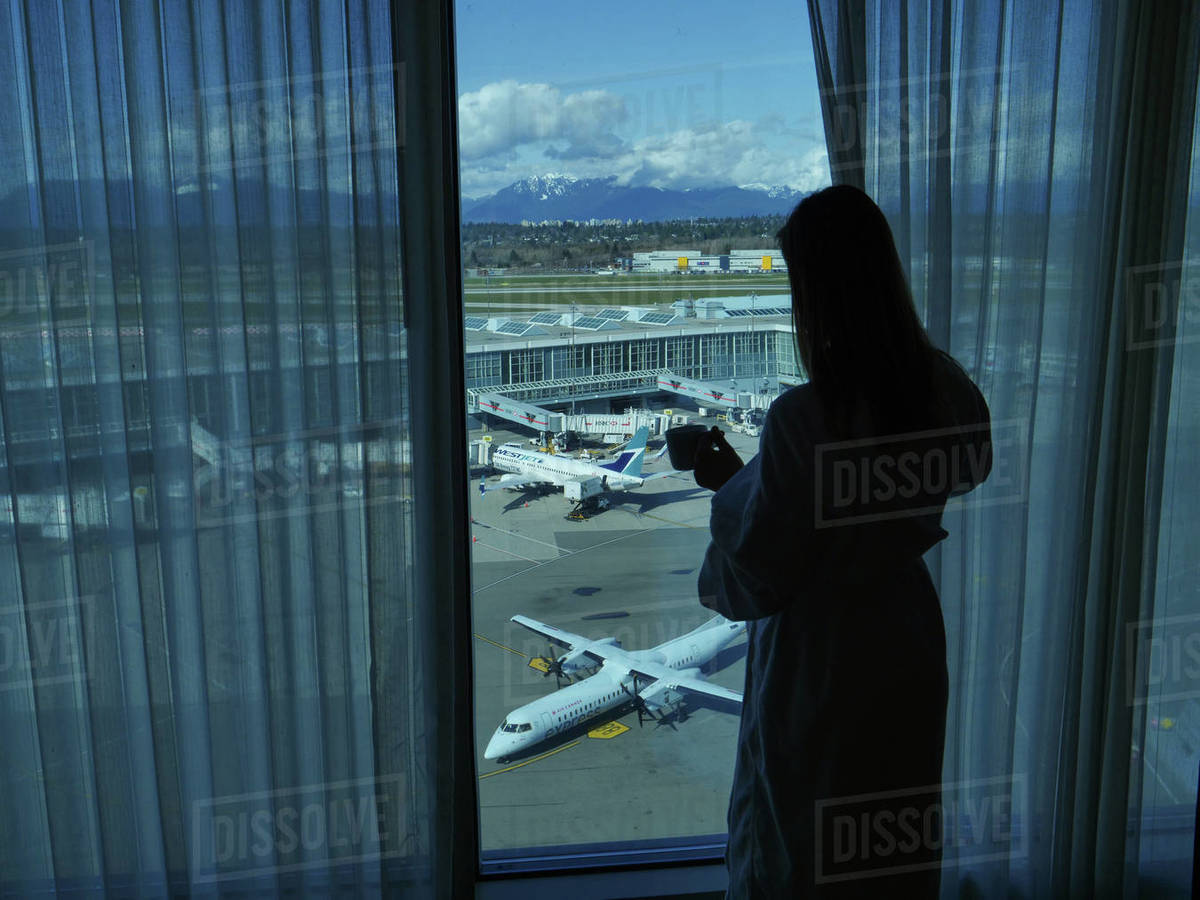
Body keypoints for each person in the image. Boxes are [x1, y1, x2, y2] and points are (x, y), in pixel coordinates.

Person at [693, 185, 993, 898]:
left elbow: (752, 581)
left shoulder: (802, 418)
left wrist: (731, 492)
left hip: (820, 660)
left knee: (800, 847)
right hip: (905, 641)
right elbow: (929, 483)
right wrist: (761, 489)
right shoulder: (945, 389)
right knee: (889, 838)